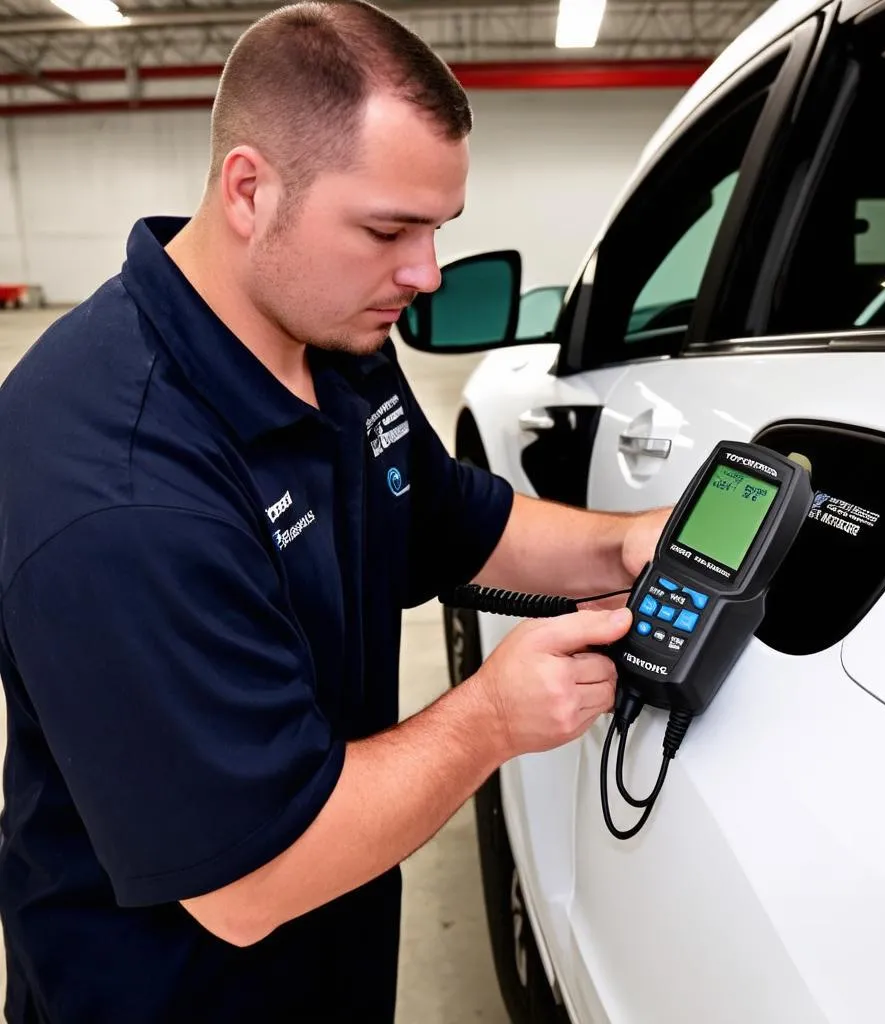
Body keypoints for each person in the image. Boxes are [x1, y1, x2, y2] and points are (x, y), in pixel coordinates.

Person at [0, 3, 668, 1021]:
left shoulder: (337, 342)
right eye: (387, 229)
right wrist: (491, 717)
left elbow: (455, 518)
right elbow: (249, 880)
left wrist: (622, 541)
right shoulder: (119, 491)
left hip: (334, 953)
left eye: (437, 229)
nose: (425, 272)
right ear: (249, 189)